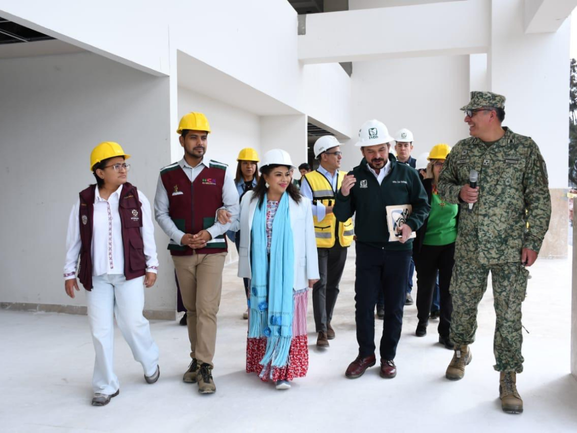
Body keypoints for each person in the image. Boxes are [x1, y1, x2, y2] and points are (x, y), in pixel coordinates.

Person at [438, 91, 551, 414]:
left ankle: (508, 377)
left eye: (471, 113)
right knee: (461, 304)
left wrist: (533, 242)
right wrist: (458, 192)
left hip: (511, 249)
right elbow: (442, 186)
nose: (466, 119)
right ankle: (461, 349)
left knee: (510, 315)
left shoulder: (525, 149)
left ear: (490, 114)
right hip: (470, 247)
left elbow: (540, 199)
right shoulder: (462, 151)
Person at [63, 141, 160, 407]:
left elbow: (146, 234)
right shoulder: (84, 201)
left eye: (124, 164)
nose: (123, 169)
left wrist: (152, 266)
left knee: (132, 323)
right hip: (97, 277)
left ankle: (150, 360)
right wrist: (69, 272)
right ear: (99, 172)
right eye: (116, 166)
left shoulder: (136, 197)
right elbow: (75, 239)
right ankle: (105, 385)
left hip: (129, 273)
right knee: (100, 330)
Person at [335, 120, 429, 380]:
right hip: (367, 250)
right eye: (369, 151)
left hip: (399, 251)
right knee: (363, 304)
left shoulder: (407, 174)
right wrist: (342, 194)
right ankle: (366, 354)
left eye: (380, 150)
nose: (376, 156)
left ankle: (388, 356)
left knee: (395, 305)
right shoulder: (354, 177)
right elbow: (343, 216)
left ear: (388, 146)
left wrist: (411, 224)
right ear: (362, 152)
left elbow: (423, 205)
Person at [154, 112, 239, 395]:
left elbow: (233, 209)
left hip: (213, 250)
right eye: (194, 137)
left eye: (203, 137)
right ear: (182, 140)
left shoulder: (221, 171)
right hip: (181, 251)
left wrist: (210, 233)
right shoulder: (168, 175)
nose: (200, 142)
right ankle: (196, 357)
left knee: (206, 308)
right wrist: (180, 237)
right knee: (191, 310)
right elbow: (161, 212)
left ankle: (205, 366)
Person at [233, 149, 319, 390]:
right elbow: (239, 229)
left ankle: (283, 369)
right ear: (266, 177)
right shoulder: (250, 200)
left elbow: (308, 239)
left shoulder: (300, 202)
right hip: (261, 271)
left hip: (289, 273)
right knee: (261, 317)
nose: (284, 179)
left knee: (288, 319)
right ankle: (264, 362)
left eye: (287, 174)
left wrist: (312, 272)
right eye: (278, 174)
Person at [300, 136, 354, 348]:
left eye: (340, 153)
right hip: (319, 241)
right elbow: (304, 208)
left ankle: (328, 320)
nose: (340, 156)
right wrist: (331, 209)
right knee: (320, 284)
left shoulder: (346, 177)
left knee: (334, 285)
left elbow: (353, 205)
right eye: (336, 153)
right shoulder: (309, 179)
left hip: (342, 238)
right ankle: (322, 329)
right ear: (324, 156)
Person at [413, 143, 457, 349]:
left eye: (446, 163)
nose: (442, 167)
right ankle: (422, 320)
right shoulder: (422, 186)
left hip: (451, 245)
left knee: (449, 289)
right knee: (426, 286)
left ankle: (445, 332)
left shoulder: (458, 187)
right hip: (426, 245)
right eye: (438, 163)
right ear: (431, 165)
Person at [226, 147, 260, 320]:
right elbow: (227, 209)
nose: (249, 167)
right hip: (241, 234)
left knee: (260, 267)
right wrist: (233, 232)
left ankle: (261, 302)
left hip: (259, 232)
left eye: (252, 163)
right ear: (240, 165)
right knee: (248, 269)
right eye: (245, 163)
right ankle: (250, 305)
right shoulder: (231, 186)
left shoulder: (262, 186)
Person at [394, 128, 417, 306]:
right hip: (395, 217)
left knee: (411, 257)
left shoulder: (420, 166)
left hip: (415, 216)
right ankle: (398, 290)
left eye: (406, 145)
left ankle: (407, 289)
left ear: (411, 147)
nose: (403, 148)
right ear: (395, 147)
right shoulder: (390, 166)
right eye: (400, 145)